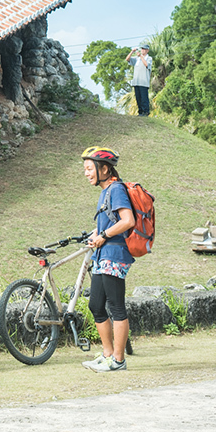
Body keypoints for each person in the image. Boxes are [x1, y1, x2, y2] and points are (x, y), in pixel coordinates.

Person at [81, 147, 135, 373]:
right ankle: (107, 355)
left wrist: (103, 235)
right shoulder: (105, 192)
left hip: (115, 255)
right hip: (103, 255)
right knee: (95, 305)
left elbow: (128, 220)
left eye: (89, 168)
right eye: (85, 169)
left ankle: (119, 360)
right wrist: (97, 233)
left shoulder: (117, 189)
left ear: (104, 168)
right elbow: (111, 221)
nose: (86, 173)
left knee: (116, 307)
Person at [126, 44, 152, 116]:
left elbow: (147, 65)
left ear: (147, 50)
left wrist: (140, 56)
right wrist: (132, 52)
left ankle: (146, 112)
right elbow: (127, 59)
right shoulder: (136, 59)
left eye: (144, 49)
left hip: (144, 82)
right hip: (136, 82)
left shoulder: (149, 58)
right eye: (142, 49)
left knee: (144, 98)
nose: (143, 50)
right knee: (138, 98)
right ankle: (140, 112)